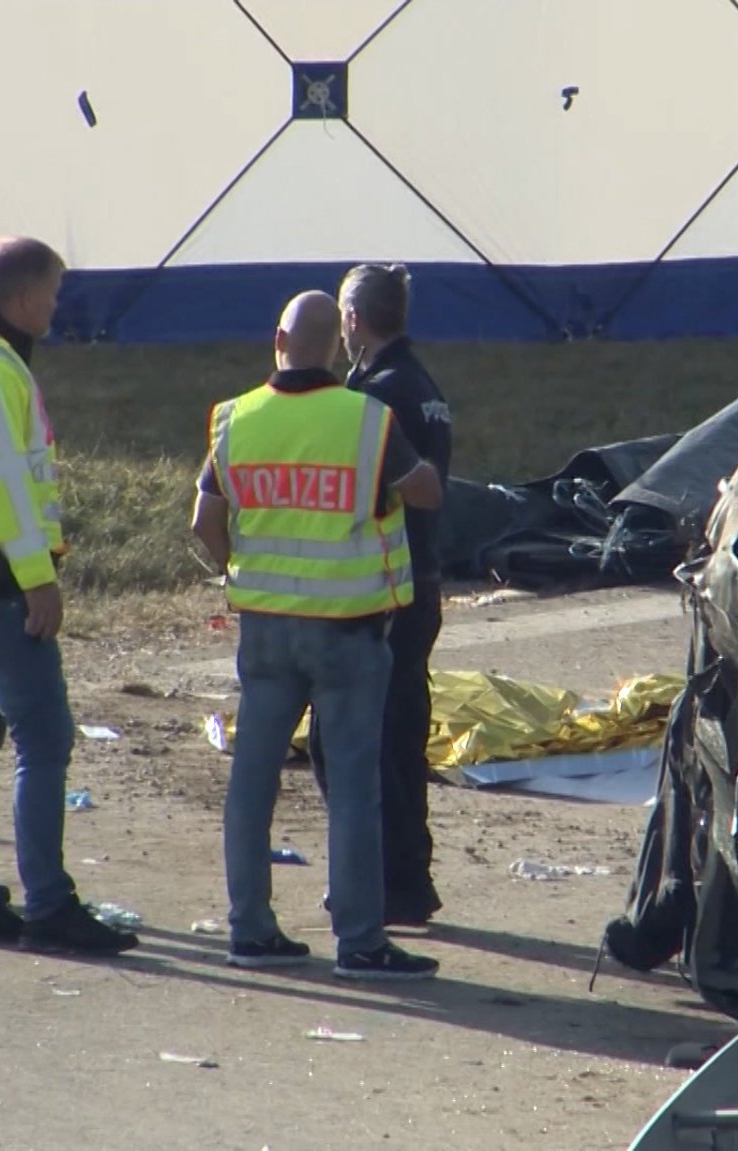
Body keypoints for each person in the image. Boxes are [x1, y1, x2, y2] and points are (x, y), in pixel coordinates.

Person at [191, 290, 444, 980]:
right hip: (348, 632)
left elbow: (203, 519)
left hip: (267, 631)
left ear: (277, 338)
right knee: (354, 787)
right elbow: (426, 489)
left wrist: (237, 565)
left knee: (252, 782)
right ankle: (360, 939)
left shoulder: (235, 420)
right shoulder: (368, 420)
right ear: (338, 344)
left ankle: (251, 928)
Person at [0, 236, 137, 956]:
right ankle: (47, 904)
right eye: (52, 294)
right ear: (21, 297)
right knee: (45, 734)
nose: (56, 307)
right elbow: (4, 477)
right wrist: (38, 578)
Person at [310, 263, 454, 926]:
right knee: (402, 732)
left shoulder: (380, 394)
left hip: (387, 586)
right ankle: (409, 877)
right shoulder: (420, 383)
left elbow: (372, 489)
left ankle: (390, 879)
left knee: (366, 741)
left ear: (352, 319)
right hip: (420, 578)